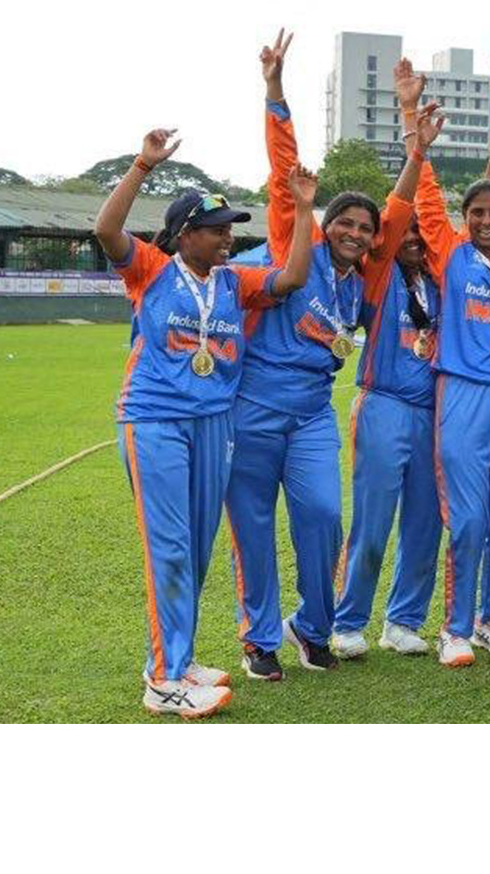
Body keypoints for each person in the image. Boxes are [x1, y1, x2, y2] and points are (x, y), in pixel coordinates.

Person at [96, 129, 315, 717]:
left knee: (194, 550)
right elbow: (105, 230)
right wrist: (143, 164)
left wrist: (301, 210)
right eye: (218, 229)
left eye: (230, 229)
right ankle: (163, 678)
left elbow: (291, 278)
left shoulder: (233, 283)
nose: (229, 238)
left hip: (214, 424)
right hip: (156, 422)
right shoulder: (149, 269)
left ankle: (181, 659)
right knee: (168, 548)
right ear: (185, 233)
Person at [227, 31, 387, 680]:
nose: (353, 233)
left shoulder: (361, 286)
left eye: (364, 228)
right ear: (325, 227)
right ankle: (260, 636)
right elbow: (282, 169)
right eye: (343, 223)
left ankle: (311, 626)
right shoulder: (299, 249)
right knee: (254, 526)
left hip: (313, 414)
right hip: (254, 407)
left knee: (323, 514)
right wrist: (275, 91)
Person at [412, 65, 490, 668]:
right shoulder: (448, 251)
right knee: (468, 516)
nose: (488, 221)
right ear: (467, 219)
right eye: (478, 214)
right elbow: (424, 197)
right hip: (463, 391)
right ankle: (455, 626)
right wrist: (417, 129)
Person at [329, 73, 447, 660]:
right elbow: (400, 208)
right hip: (383, 407)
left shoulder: (441, 283)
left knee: (426, 523)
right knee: (373, 523)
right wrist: (414, 146)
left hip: (435, 414)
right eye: (406, 234)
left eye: (424, 235)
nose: (414, 240)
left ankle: (403, 620)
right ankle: (348, 620)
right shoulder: (378, 277)